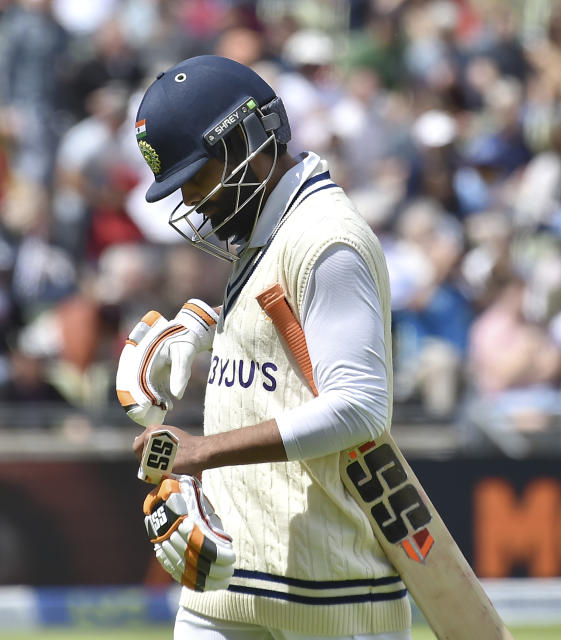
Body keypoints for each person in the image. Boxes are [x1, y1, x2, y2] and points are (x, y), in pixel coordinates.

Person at [121, 56, 410, 639]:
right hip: (225, 586)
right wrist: (204, 324)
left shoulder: (328, 239)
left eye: (199, 178)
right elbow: (280, 358)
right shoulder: (263, 231)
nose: (195, 203)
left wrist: (201, 452)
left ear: (248, 138)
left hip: (331, 592)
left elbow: (359, 407)